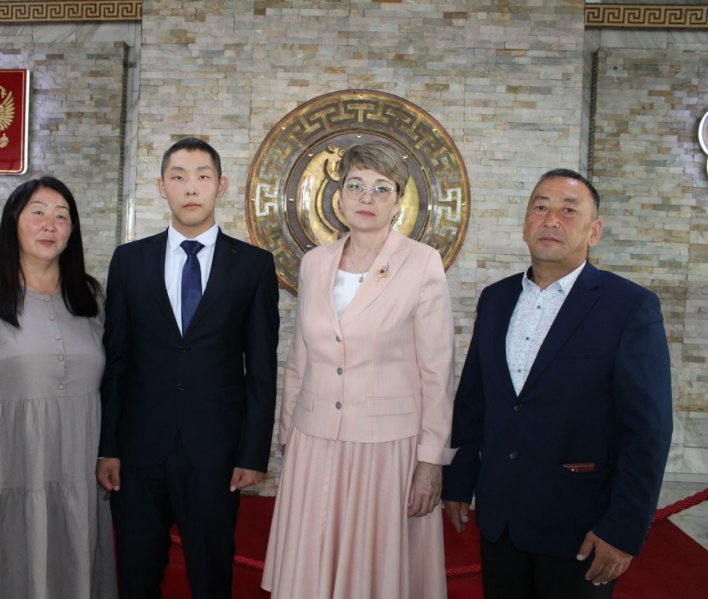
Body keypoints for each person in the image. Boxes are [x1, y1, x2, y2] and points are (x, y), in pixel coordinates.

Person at [442, 169, 673, 598]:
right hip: (500, 516)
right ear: (525, 223)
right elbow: (475, 400)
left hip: (579, 524)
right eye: (540, 207)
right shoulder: (496, 299)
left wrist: (623, 528)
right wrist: (458, 483)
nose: (551, 219)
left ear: (594, 231)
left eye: (568, 210)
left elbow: (648, 430)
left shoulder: (629, 307)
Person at [262, 142, 457, 598]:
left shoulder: (422, 262)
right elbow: (301, 356)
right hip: (314, 440)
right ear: (339, 195)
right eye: (356, 186)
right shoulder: (316, 263)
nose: (367, 198)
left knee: (373, 575)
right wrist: (289, 434)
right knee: (311, 570)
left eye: (381, 188)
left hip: (386, 448)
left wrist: (431, 460)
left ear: (398, 200)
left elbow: (436, 370)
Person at [96, 137, 280, 598]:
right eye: (178, 177)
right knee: (136, 575)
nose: (191, 188)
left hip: (216, 451)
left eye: (203, 177)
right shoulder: (129, 260)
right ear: (162, 187)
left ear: (222, 185)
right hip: (139, 450)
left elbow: (261, 367)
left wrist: (252, 454)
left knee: (211, 576)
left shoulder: (253, 266)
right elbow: (116, 360)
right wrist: (108, 447)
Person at [0, 176, 115, 598]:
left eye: (61, 216)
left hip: (75, 468)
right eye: (38, 213)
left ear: (71, 232)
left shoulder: (90, 297)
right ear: (12, 223)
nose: (50, 224)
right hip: (2, 467)